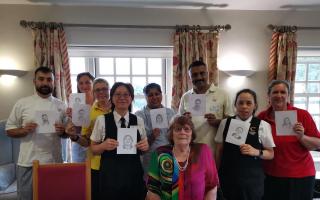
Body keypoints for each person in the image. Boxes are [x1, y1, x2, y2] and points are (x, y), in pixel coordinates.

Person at [5, 66, 67, 200]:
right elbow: (9, 130)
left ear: (54, 82)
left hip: (54, 162)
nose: (45, 83)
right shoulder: (22, 103)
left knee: (54, 197)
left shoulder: (62, 105)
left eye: (49, 79)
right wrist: (23, 130)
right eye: (41, 79)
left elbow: (68, 134)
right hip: (28, 163)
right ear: (34, 81)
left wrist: (63, 131)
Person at [258, 80, 320, 200]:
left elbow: (317, 144)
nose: (279, 95)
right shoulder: (262, 117)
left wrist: (302, 137)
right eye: (275, 92)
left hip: (300, 176)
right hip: (270, 175)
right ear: (269, 95)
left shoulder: (302, 115)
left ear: (288, 95)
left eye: (283, 92)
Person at [90, 82, 149, 200]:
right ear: (111, 98)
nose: (122, 97)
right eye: (117, 94)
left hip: (134, 176)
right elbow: (93, 149)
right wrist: (103, 146)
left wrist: (145, 146)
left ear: (131, 98)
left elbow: (144, 147)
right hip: (110, 177)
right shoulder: (102, 120)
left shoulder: (138, 120)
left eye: (126, 94)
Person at [215, 89, 275, 200]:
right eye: (240, 103)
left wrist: (256, 151)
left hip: (252, 183)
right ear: (235, 105)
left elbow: (271, 153)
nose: (244, 106)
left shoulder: (263, 125)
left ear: (255, 105)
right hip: (227, 179)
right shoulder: (225, 123)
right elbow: (219, 150)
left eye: (248, 103)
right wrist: (215, 175)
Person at [146, 115, 219, 200]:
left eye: (186, 129)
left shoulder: (203, 151)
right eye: (178, 129)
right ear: (171, 134)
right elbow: (153, 189)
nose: (182, 132)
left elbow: (212, 186)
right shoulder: (160, 154)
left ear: (192, 134)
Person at [66, 78, 110, 200]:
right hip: (96, 163)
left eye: (104, 89)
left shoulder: (119, 108)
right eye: (98, 90)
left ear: (109, 90)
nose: (101, 92)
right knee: (97, 195)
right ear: (93, 92)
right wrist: (75, 137)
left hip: (116, 162)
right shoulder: (89, 112)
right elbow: (85, 141)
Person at [178, 60, 233, 152]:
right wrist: (184, 119)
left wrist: (218, 122)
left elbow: (232, 122)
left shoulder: (223, 94)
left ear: (207, 74)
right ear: (190, 77)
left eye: (202, 73)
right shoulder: (186, 96)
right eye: (194, 75)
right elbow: (179, 122)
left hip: (214, 150)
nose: (199, 77)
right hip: (190, 149)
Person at [135, 83, 175, 178]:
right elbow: (138, 142)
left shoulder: (170, 112)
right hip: (150, 157)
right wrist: (152, 136)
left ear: (161, 95)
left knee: (168, 185)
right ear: (145, 97)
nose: (154, 97)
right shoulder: (140, 115)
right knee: (151, 186)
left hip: (169, 155)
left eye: (157, 94)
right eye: (150, 95)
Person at [66, 72, 95, 163]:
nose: (84, 86)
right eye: (81, 83)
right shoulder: (74, 101)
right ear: (78, 85)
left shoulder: (99, 100)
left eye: (87, 82)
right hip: (79, 141)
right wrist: (71, 117)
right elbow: (72, 126)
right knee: (80, 173)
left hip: (96, 140)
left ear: (93, 83)